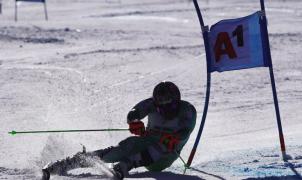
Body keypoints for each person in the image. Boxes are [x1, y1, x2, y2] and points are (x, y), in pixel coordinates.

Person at [42, 81, 196, 180]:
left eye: (167, 103)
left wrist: (175, 137)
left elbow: (186, 131)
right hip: (148, 139)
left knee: (157, 149)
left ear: (176, 100)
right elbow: (135, 112)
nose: (163, 107)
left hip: (167, 155)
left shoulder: (187, 110)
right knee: (126, 146)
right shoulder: (151, 104)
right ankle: (71, 162)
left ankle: (124, 165)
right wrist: (134, 122)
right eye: (160, 104)